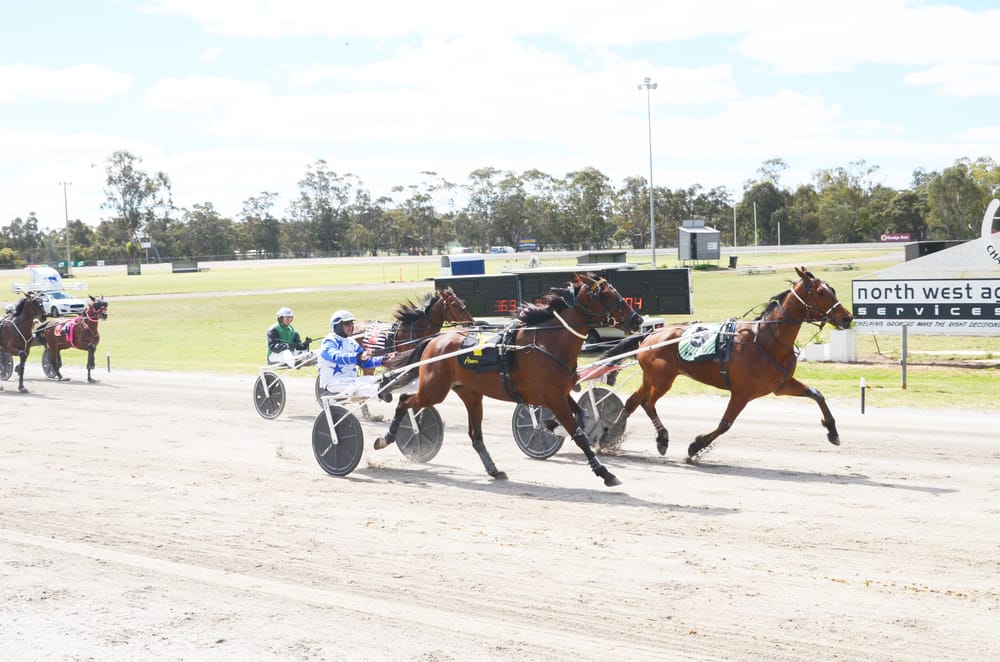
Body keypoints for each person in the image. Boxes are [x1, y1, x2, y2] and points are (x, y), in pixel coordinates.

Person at [317, 309, 391, 399]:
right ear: (337, 326)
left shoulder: (351, 342)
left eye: (352, 323)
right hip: (333, 382)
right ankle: (379, 391)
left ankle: (382, 390)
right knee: (360, 385)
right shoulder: (329, 341)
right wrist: (358, 356)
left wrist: (384, 359)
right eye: (347, 323)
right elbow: (336, 357)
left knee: (377, 379)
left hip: (351, 380)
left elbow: (365, 362)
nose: (351, 326)